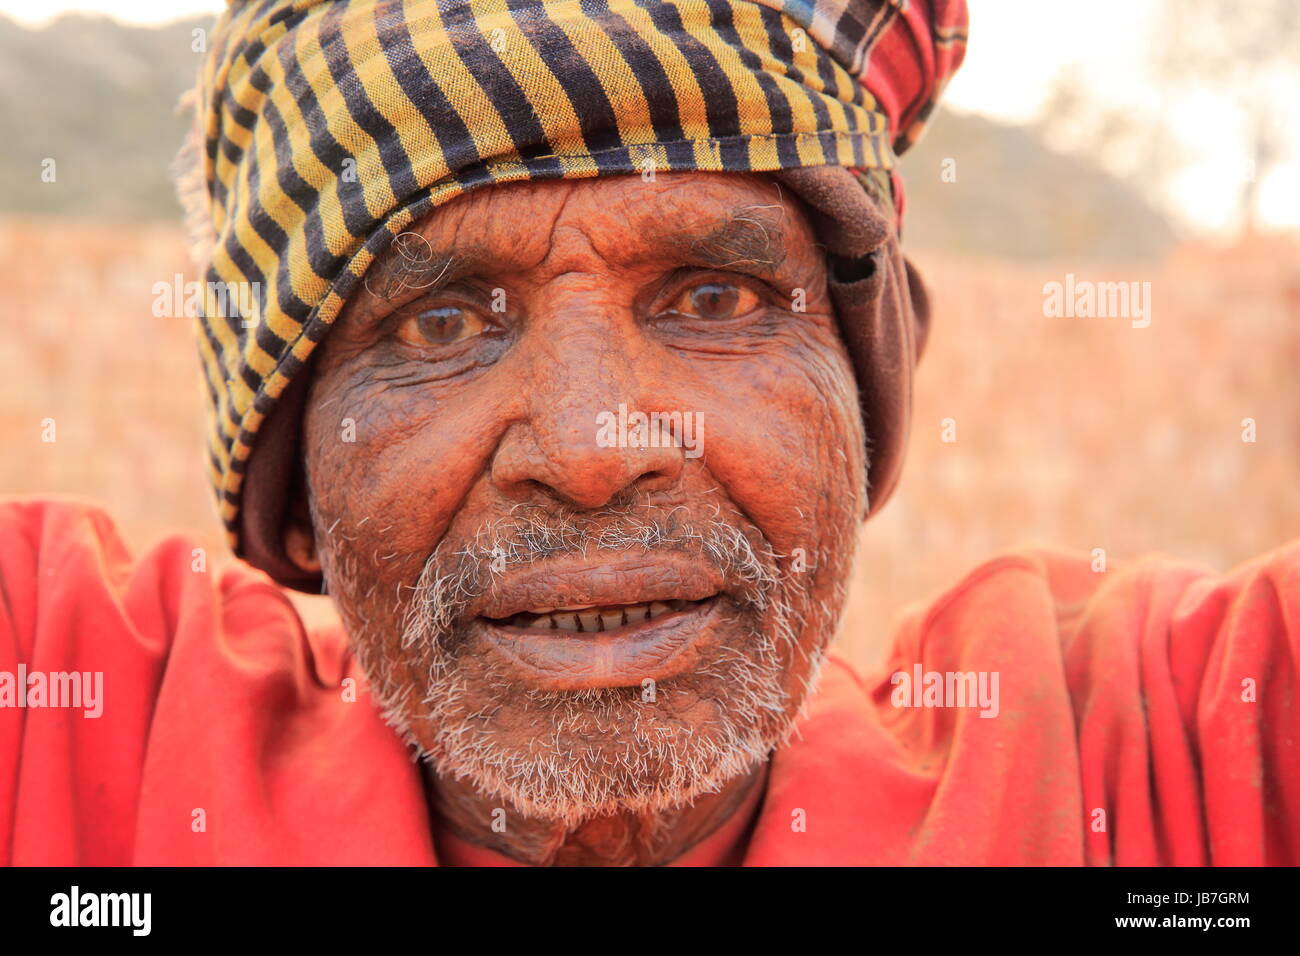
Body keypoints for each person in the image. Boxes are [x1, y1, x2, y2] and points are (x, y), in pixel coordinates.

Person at [2, 0, 1295, 866]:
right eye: (444, 324)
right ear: (294, 484)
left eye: (715, 298)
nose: (590, 447)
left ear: (866, 410)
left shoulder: (1147, 770)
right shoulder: (70, 739)